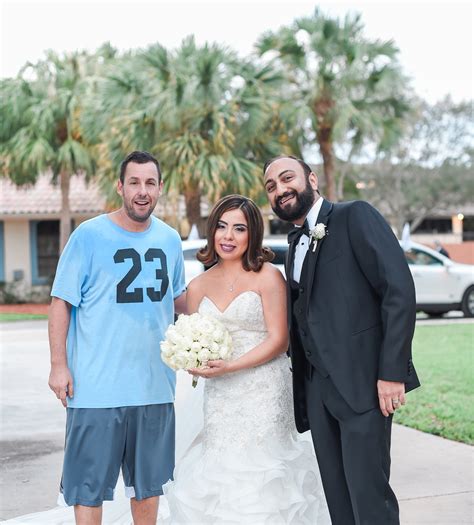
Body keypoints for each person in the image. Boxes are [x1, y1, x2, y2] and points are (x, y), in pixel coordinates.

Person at [263, 155, 420, 525]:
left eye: (287, 178)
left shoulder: (355, 216)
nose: (280, 190)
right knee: (338, 500)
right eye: (271, 186)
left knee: (370, 499)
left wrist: (392, 372)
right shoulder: (294, 242)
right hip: (318, 391)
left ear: (312, 179)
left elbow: (398, 291)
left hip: (364, 384)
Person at [162, 195, 330, 523]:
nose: (228, 236)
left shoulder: (268, 277)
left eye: (239, 228)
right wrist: (192, 360)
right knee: (221, 470)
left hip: (265, 389)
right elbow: (194, 335)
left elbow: (279, 340)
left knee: (263, 473)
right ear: (212, 232)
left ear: (252, 234)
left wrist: (232, 366)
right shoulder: (197, 287)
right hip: (220, 396)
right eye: (222, 227)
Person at [48, 150, 187, 525]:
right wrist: (58, 366)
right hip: (96, 388)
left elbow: (179, 301)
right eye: (134, 183)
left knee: (149, 486)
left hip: (155, 386)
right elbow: (61, 302)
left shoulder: (171, 239)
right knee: (88, 488)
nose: (142, 192)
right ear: (120, 186)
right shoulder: (89, 235)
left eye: (150, 183)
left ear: (160, 188)